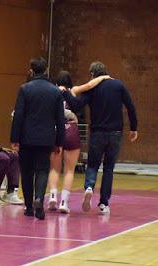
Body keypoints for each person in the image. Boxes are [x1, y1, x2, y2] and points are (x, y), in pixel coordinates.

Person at [60, 61, 138, 215]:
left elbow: (76, 105)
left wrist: (65, 92)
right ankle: (103, 204)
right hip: (116, 133)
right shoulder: (119, 86)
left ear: (92, 74)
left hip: (97, 133)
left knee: (93, 165)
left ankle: (89, 186)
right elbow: (130, 107)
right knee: (108, 168)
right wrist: (134, 128)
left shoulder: (92, 88)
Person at [48, 71, 113, 214]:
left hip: (54, 130)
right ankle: (64, 202)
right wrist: (102, 77)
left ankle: (52, 197)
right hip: (71, 128)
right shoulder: (74, 90)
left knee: (54, 168)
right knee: (69, 170)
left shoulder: (51, 91)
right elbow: (90, 85)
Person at [11, 57, 65, 220]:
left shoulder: (25, 89)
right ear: (46, 70)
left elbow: (18, 115)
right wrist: (59, 141)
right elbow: (60, 119)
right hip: (46, 138)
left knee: (26, 171)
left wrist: (15, 138)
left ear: (31, 70)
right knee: (42, 170)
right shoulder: (55, 91)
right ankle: (39, 200)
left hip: (26, 137)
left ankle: (28, 207)